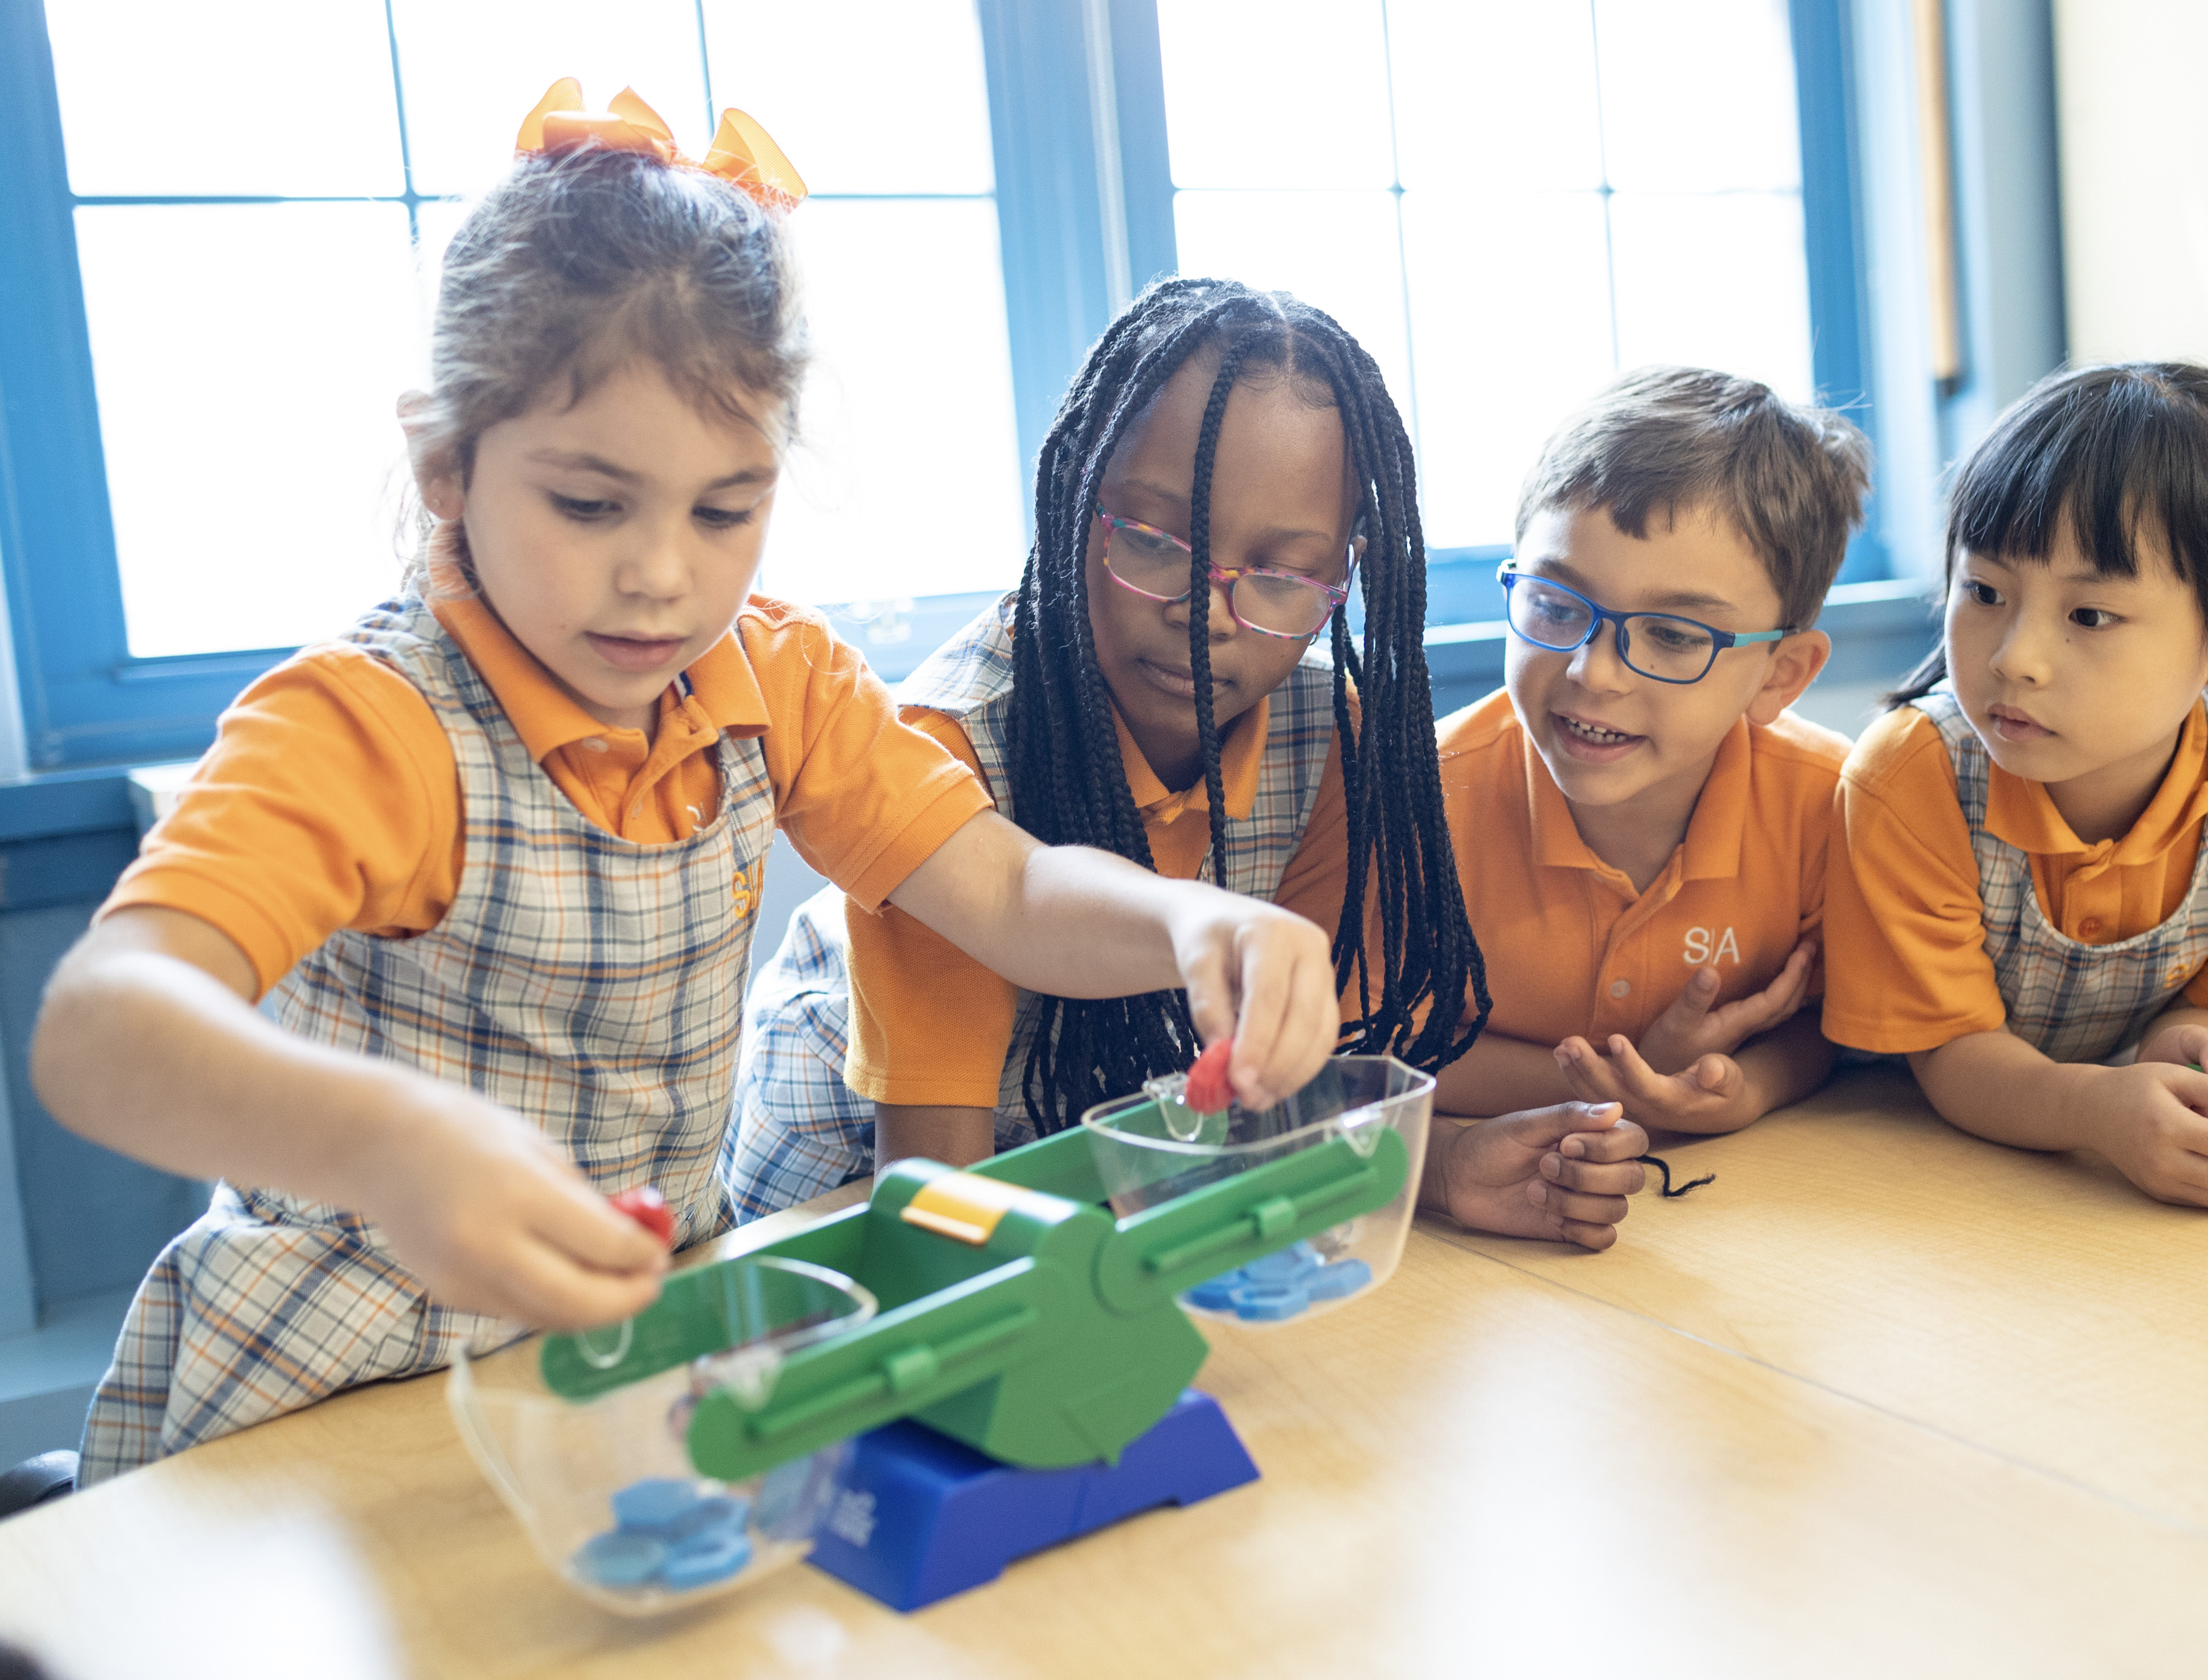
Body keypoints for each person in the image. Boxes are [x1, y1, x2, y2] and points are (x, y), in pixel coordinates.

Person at [32, 89, 1338, 1484]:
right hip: (334, 1382)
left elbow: (1006, 889)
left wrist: (1194, 922)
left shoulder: (769, 680)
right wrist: (386, 1144)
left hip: (624, 1357)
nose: (663, 575)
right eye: (590, 505)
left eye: (727, 508)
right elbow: (103, 1028)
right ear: (444, 466)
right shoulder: (376, 723)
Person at [731, 277, 1653, 1249]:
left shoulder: (1330, 736)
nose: (1204, 612)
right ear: (1073, 500)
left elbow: (1289, 1075)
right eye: (1153, 538)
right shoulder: (954, 743)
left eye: (1279, 574)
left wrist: (1435, 1168)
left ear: (1343, 579)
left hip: (1114, 1178)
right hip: (843, 1199)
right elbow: (931, 1205)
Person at [1824, 362, 2208, 1210]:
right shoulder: (1911, 778)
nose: (2015, 656)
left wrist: (2201, 1066)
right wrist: (2101, 1110)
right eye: (1984, 590)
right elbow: (1952, 1051)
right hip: (1901, 1167)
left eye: (2089, 615)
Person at [1431, 368, 1865, 1144]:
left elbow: (1832, 1021)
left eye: (1672, 635)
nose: (1593, 672)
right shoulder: (1422, 801)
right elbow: (1370, 1042)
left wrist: (1749, 1087)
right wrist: (1636, 1078)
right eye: (1556, 606)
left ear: (1780, 675)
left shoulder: (1833, 806)